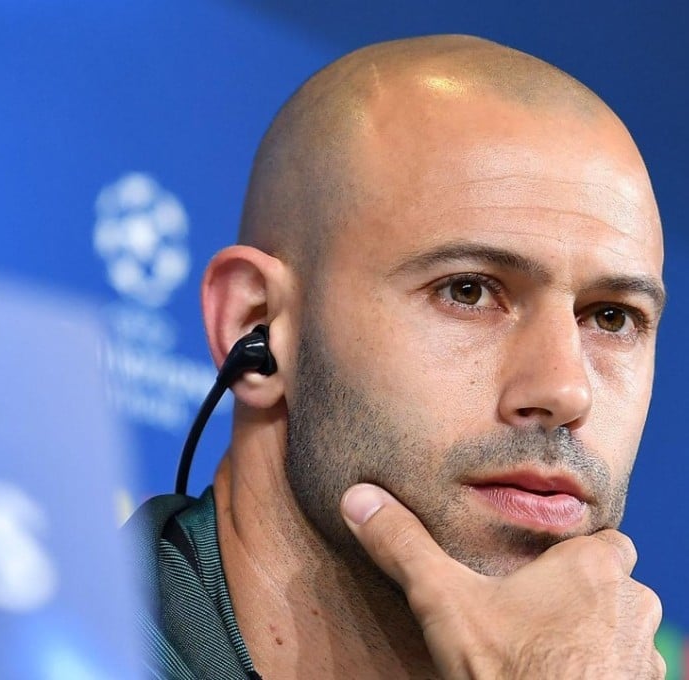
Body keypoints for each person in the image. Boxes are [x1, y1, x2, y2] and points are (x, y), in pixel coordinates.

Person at [125, 34, 667, 679]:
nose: (565, 390)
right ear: (258, 324)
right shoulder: (25, 646)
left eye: (612, 317)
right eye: (467, 292)